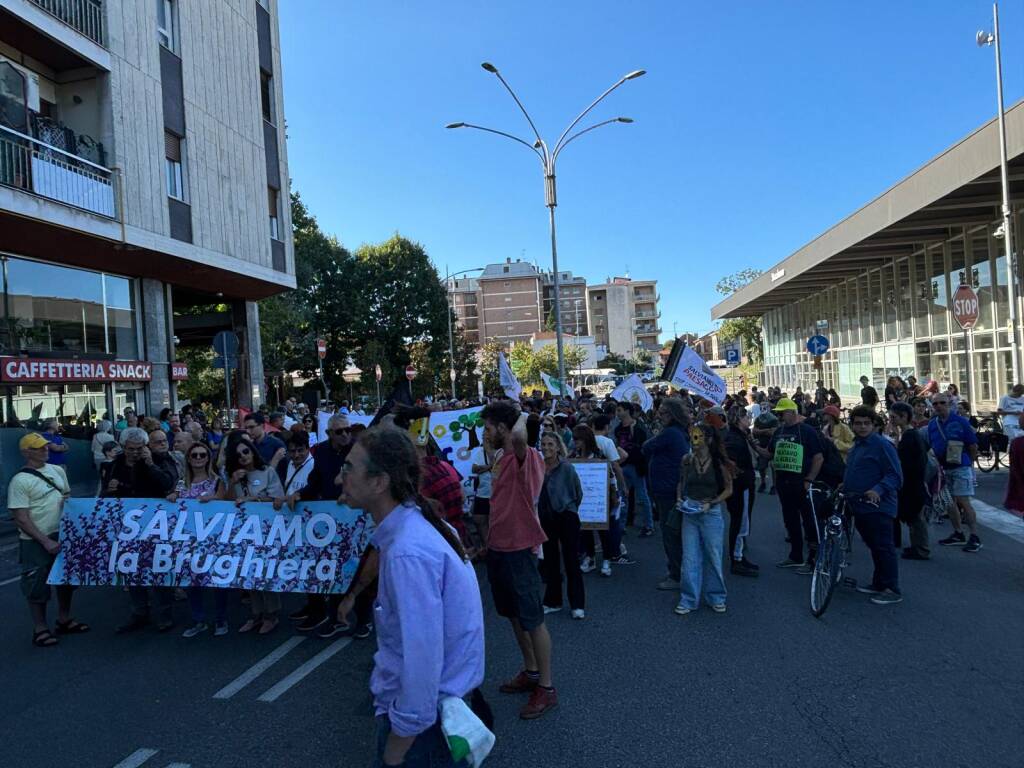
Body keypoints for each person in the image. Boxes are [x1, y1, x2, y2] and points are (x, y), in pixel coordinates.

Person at [340, 428, 484, 768]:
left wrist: (399, 743)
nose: (339, 477)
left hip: (426, 729)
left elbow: (422, 659)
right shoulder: (419, 527)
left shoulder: (408, 552)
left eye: (348, 467)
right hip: (438, 715)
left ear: (379, 482)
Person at [480, 401, 557, 720]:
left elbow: (522, 439)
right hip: (499, 546)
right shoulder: (500, 456)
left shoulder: (530, 456)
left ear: (504, 428)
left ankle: (547, 688)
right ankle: (531, 671)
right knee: (512, 614)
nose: (484, 433)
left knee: (532, 618)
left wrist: (521, 414)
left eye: (488, 427)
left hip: (520, 548)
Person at [8, 433, 88, 647]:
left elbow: (67, 497)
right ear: (26, 452)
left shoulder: (57, 470)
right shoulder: (20, 481)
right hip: (37, 539)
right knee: (36, 584)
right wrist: (44, 541)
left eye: (45, 447)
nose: (45, 450)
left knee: (65, 580)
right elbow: (21, 518)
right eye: (38, 448)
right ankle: (40, 628)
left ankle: (64, 618)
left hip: (62, 533)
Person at [103, 428, 178, 633]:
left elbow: (168, 483)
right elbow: (105, 495)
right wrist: (110, 489)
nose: (134, 453)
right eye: (130, 449)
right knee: (131, 569)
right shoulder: (116, 464)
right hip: (128, 526)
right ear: (123, 447)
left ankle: (164, 614)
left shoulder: (159, 460)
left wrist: (151, 465)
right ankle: (139, 612)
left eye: (139, 449)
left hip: (154, 523)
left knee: (157, 568)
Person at [224, 433, 287, 633]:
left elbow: (277, 498)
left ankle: (271, 615)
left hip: (265, 530)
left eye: (246, 451)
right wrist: (233, 483)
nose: (243, 456)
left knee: (265, 572)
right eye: (238, 454)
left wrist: (253, 500)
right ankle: (256, 614)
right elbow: (226, 502)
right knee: (248, 573)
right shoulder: (234, 476)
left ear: (252, 451)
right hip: (243, 531)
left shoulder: (267, 471)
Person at [843, 405, 904, 605]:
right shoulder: (857, 445)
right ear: (851, 425)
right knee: (874, 546)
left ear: (874, 425)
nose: (862, 427)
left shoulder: (881, 445)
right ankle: (879, 583)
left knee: (883, 546)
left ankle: (891, 588)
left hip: (878, 506)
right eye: (858, 423)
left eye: (866, 423)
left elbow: (895, 475)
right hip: (859, 504)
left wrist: (877, 490)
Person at [169, 441, 228, 638]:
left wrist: (212, 500)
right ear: (188, 458)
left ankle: (220, 619)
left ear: (208, 458)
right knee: (192, 581)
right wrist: (171, 498)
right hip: (187, 540)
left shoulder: (217, 481)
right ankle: (198, 620)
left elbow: (224, 502)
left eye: (202, 455)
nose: (198, 458)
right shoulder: (182, 482)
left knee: (216, 580)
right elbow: (174, 498)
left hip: (212, 539)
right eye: (194, 455)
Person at [674, 423, 733, 616]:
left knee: (713, 556)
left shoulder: (719, 463)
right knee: (690, 557)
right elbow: (681, 483)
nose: (694, 441)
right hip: (690, 511)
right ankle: (689, 599)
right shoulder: (687, 460)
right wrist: (679, 499)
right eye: (692, 437)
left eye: (698, 437)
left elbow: (728, 489)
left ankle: (716, 596)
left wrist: (712, 502)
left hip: (711, 513)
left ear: (708, 440)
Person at [769, 397, 824, 571]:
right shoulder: (779, 432)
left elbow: (818, 457)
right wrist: (753, 444)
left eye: (782, 413)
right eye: (778, 413)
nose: (779, 417)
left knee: (809, 521)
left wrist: (809, 479)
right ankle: (796, 556)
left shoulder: (807, 431)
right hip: (784, 483)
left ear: (792, 412)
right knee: (790, 520)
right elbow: (768, 454)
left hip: (801, 483)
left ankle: (814, 559)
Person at [641, 399, 691, 589]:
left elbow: (646, 447)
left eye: (662, 413)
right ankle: (677, 571)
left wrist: (655, 437)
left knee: (670, 534)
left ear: (672, 414)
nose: (658, 416)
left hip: (668, 490)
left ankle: (676, 575)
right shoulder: (677, 432)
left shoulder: (670, 433)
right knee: (674, 533)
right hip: (669, 488)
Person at [538, 432, 585, 618]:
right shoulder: (538, 467)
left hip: (566, 516)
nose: (546, 447)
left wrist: (568, 508)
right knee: (550, 560)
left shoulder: (567, 468)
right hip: (545, 517)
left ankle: (577, 604)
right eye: (543, 444)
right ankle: (553, 600)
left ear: (558, 447)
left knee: (571, 559)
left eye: (550, 444)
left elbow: (577, 493)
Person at [927, 394, 982, 553]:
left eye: (942, 403)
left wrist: (969, 465)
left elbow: (972, 445)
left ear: (949, 404)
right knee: (949, 502)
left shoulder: (960, 422)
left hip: (961, 467)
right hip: (943, 469)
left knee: (964, 501)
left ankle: (974, 536)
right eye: (935, 403)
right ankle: (958, 533)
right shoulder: (932, 425)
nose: (938, 406)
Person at [888, 402, 931, 560]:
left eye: (893, 417)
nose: (891, 420)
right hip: (914, 482)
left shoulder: (910, 436)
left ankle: (921, 549)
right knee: (914, 518)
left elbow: (904, 461)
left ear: (904, 417)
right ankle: (917, 547)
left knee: (915, 518)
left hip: (912, 483)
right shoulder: (910, 435)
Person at [723, 408, 758, 577]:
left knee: (742, 522)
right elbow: (730, 463)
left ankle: (739, 555)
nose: (749, 418)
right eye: (746, 416)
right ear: (739, 419)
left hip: (742, 485)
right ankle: (736, 559)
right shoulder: (734, 438)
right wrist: (740, 477)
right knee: (739, 522)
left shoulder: (739, 435)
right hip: (740, 487)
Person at [614, 402, 653, 537]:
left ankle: (648, 525)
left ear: (627, 411)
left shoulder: (639, 426)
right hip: (623, 465)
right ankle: (622, 525)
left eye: (619, 410)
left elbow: (643, 445)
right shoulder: (618, 428)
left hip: (636, 466)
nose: (617, 413)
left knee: (642, 497)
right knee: (622, 497)